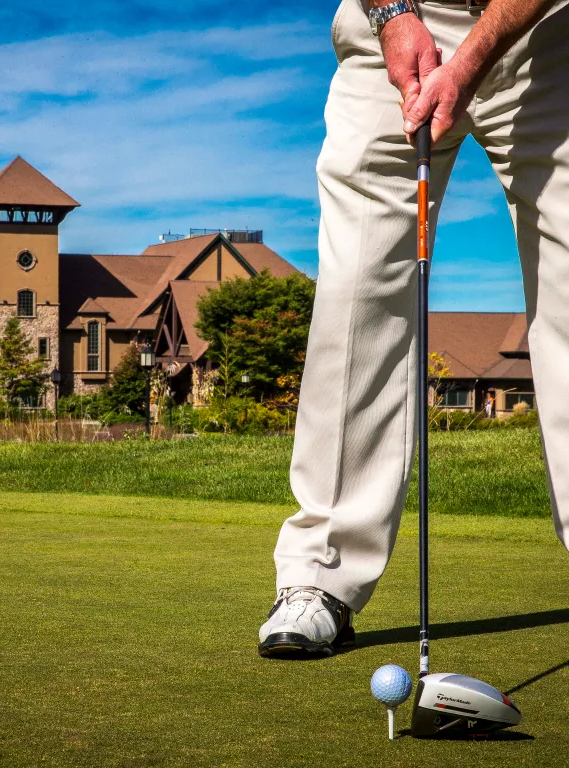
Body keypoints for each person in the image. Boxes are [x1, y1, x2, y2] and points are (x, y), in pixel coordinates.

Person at [259, 0, 569, 658]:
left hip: (548, 28)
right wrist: (394, 15)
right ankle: (321, 574)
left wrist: (472, 56)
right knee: (358, 282)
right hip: (397, 25)